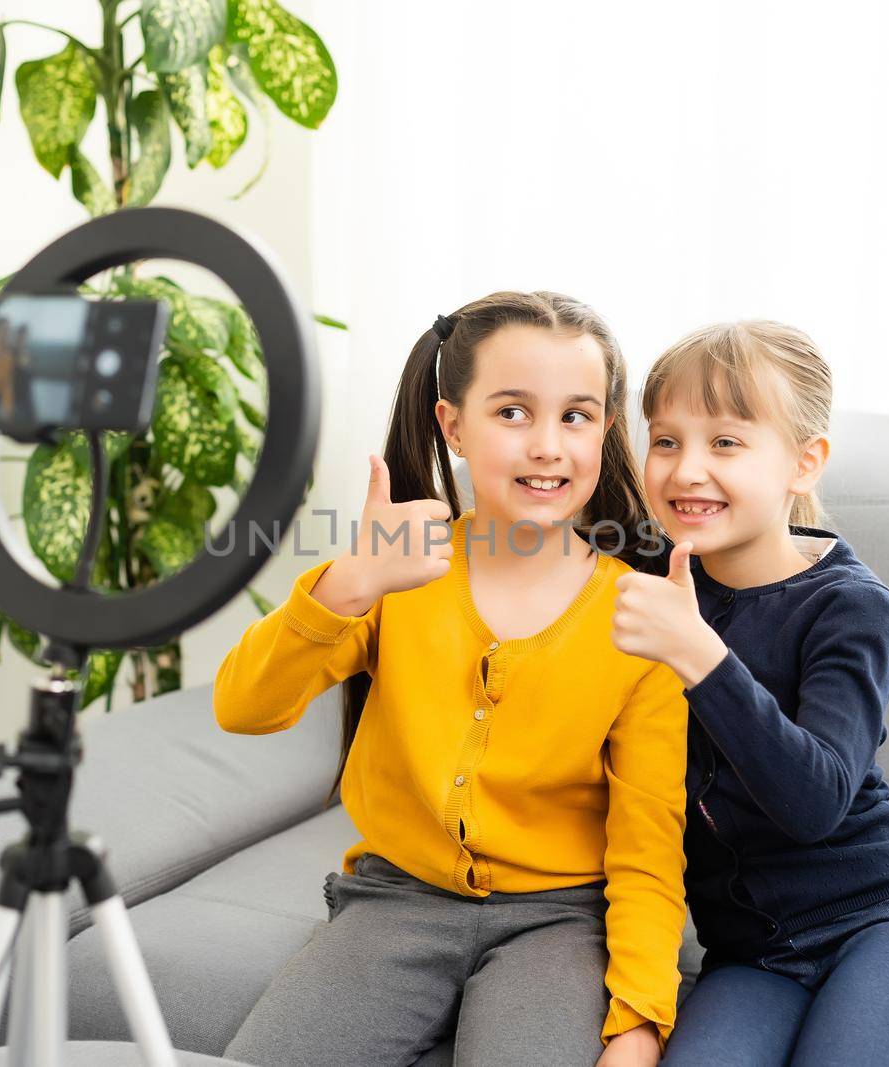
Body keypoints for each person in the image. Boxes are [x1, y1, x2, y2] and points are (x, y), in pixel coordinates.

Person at [213, 292, 689, 1067]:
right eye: (512, 412)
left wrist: (638, 1022)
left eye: (575, 415)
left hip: (559, 923)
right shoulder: (397, 571)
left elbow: (647, 849)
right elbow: (244, 706)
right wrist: (351, 583)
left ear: (606, 429)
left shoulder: (642, 619)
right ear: (452, 424)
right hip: (395, 899)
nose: (547, 445)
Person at [610, 321, 889, 1066]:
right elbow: (517, 533)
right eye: (667, 440)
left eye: (726, 443)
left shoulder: (849, 605)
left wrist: (700, 655)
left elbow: (816, 800)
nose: (686, 470)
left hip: (886, 923)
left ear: (804, 463)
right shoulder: (648, 578)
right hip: (750, 956)